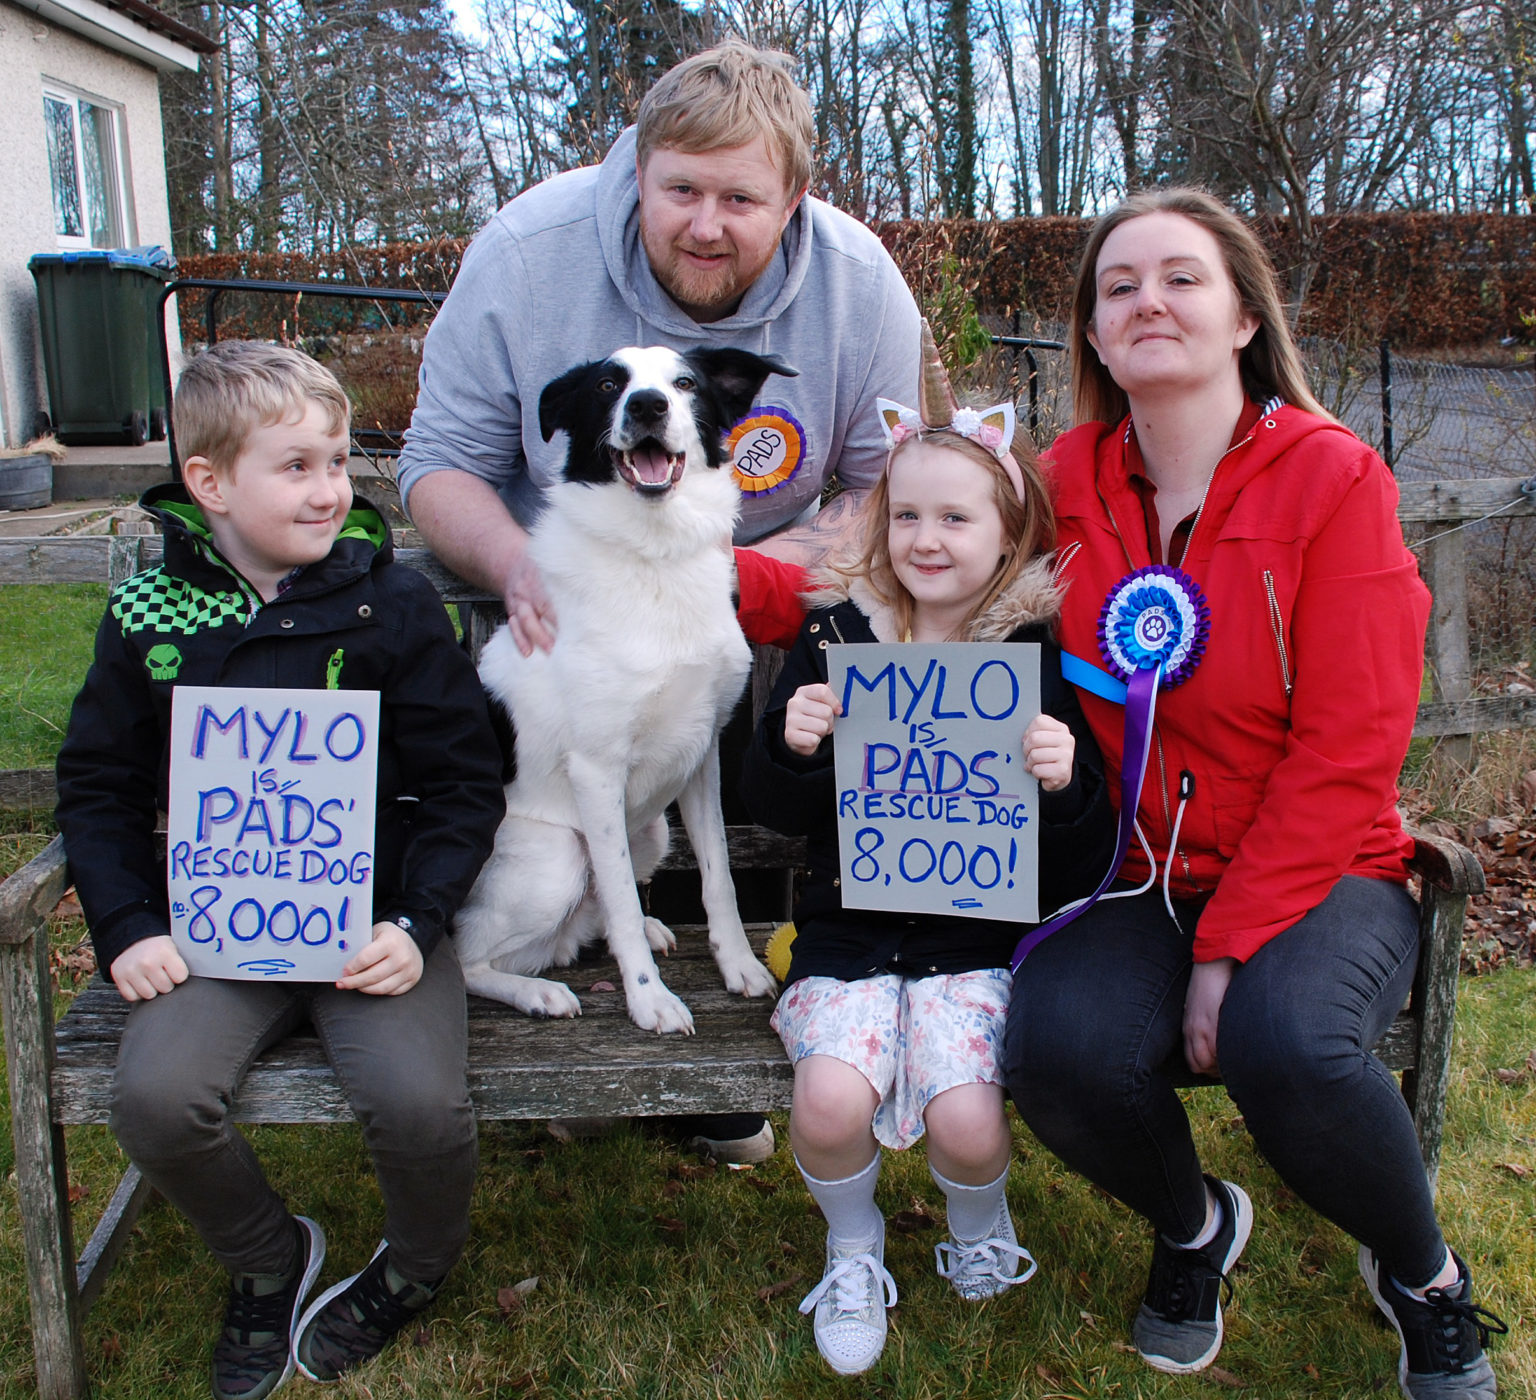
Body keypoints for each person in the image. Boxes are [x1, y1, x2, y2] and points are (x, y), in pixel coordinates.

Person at [1001, 189, 1508, 1397]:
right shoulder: (1057, 482)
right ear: (1094, 334)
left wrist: (1229, 944)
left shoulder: (1334, 478)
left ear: (1242, 318)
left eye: (1182, 277)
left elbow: (1350, 747)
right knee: (1051, 1045)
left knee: (1289, 1042)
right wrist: (722, 573)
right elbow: (908, 548)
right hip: (1138, 867)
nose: (1148, 300)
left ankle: (1425, 1275)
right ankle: (1196, 1227)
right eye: (1119, 286)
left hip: (1324, 864)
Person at [396, 38, 921, 1163]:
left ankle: (732, 1048)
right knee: (597, 786)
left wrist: (763, 574)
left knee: (720, 763)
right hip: (569, 614)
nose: (705, 225)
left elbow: (896, 486)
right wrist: (518, 566)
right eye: (680, 190)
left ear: (796, 196)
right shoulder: (527, 252)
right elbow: (437, 460)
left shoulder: (862, 283)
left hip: (766, 621)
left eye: (741, 199)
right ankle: (611, 1046)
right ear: (635, 170)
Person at [54, 342, 506, 1400]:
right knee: (157, 1097)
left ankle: (417, 1263)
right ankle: (269, 1255)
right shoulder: (147, 617)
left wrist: (418, 920)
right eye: (296, 465)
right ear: (210, 483)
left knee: (420, 1106)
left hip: (373, 925)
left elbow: (464, 782)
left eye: (338, 462)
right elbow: (99, 785)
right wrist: (125, 924)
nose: (329, 488)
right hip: (214, 928)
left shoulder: (393, 607)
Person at [739, 329, 1115, 1375]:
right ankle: (853, 1245)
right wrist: (792, 742)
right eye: (905, 514)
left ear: (1008, 532)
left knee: (968, 1121)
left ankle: (979, 1225)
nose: (926, 537)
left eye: (956, 517)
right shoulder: (836, 639)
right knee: (827, 1102)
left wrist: (1064, 781)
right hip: (847, 935)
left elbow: (1077, 857)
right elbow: (772, 808)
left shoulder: (1033, 655)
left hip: (975, 944)